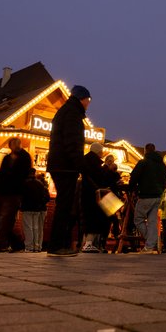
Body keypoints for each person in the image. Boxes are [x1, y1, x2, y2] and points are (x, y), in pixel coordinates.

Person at [46, 85, 91, 257]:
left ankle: (60, 244)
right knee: (64, 206)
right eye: (88, 100)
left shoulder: (65, 111)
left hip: (60, 165)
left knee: (63, 205)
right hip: (65, 167)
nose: (88, 104)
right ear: (82, 98)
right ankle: (57, 246)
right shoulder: (72, 114)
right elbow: (72, 143)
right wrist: (80, 165)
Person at [0, 137, 32, 253]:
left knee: (6, 219)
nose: (15, 146)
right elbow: (1, 173)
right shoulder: (7, 158)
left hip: (14, 192)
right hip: (1, 191)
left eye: (17, 143)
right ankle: (16, 243)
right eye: (13, 144)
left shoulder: (25, 157)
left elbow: (24, 174)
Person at [129, 143, 166, 254]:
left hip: (146, 195)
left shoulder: (143, 163)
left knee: (138, 219)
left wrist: (132, 188)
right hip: (158, 196)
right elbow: (165, 180)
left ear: (145, 151)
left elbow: (134, 177)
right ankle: (150, 246)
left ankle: (151, 242)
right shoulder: (162, 165)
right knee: (152, 221)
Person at [80, 143, 109, 253]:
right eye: (101, 151)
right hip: (95, 194)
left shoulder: (85, 161)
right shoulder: (95, 163)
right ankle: (89, 243)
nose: (102, 153)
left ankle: (86, 242)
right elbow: (100, 178)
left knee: (88, 218)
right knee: (95, 218)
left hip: (87, 194)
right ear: (98, 151)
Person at [21, 169, 50, 252]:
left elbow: (22, 195)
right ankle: (36, 246)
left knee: (28, 227)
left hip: (27, 207)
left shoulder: (25, 183)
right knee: (36, 228)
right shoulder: (40, 184)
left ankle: (29, 246)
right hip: (37, 208)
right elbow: (43, 197)